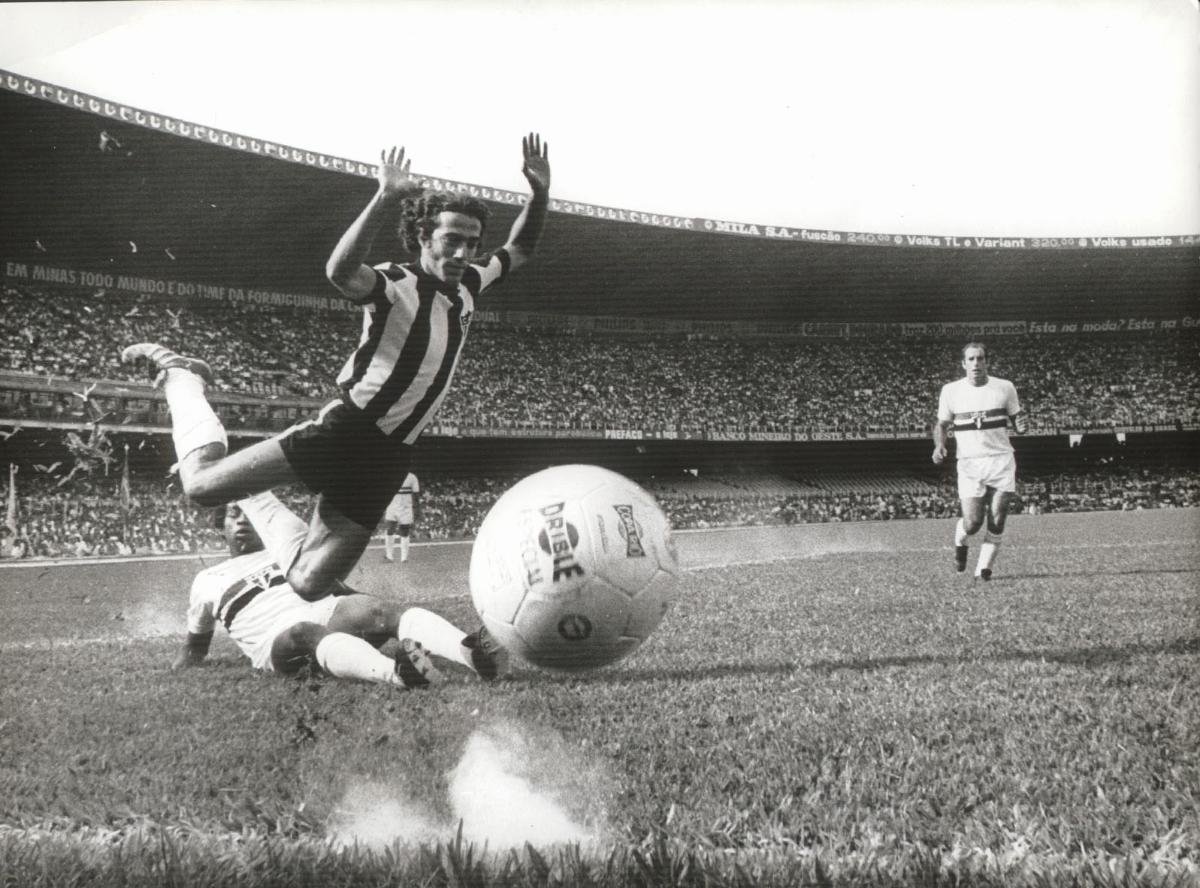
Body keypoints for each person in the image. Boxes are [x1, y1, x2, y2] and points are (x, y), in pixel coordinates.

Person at [122, 134, 550, 601]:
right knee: (202, 487)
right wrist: (384, 197)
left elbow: (520, 249)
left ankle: (257, 498)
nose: (464, 253)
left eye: (472, 243)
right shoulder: (397, 282)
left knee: (309, 583)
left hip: (391, 457)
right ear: (424, 238)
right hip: (347, 432)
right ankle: (184, 378)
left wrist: (540, 194)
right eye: (452, 240)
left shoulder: (470, 282)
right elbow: (342, 272)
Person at [174, 490, 506, 683]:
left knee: (376, 608)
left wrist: (359, 605)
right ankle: (398, 674)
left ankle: (470, 653)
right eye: (234, 515)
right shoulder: (207, 581)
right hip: (276, 643)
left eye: (248, 514)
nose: (243, 520)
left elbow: (338, 591)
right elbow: (195, 648)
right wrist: (177, 670)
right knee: (302, 630)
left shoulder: (287, 552)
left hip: (323, 613)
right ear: (222, 527)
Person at [932, 341, 1028, 580]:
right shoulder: (951, 390)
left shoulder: (1005, 387)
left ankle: (983, 572)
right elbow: (942, 425)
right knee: (973, 523)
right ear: (963, 364)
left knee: (997, 517)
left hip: (1001, 459)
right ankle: (960, 540)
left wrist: (1022, 425)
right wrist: (939, 445)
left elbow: (1017, 417)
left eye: (980, 358)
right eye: (971, 359)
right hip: (969, 463)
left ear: (987, 362)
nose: (976, 363)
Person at [384, 471, 420, 563]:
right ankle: (389, 556)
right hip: (392, 506)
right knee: (389, 530)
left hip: (405, 508)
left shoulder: (412, 477)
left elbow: (416, 496)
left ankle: (404, 558)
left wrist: (416, 509)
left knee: (404, 532)